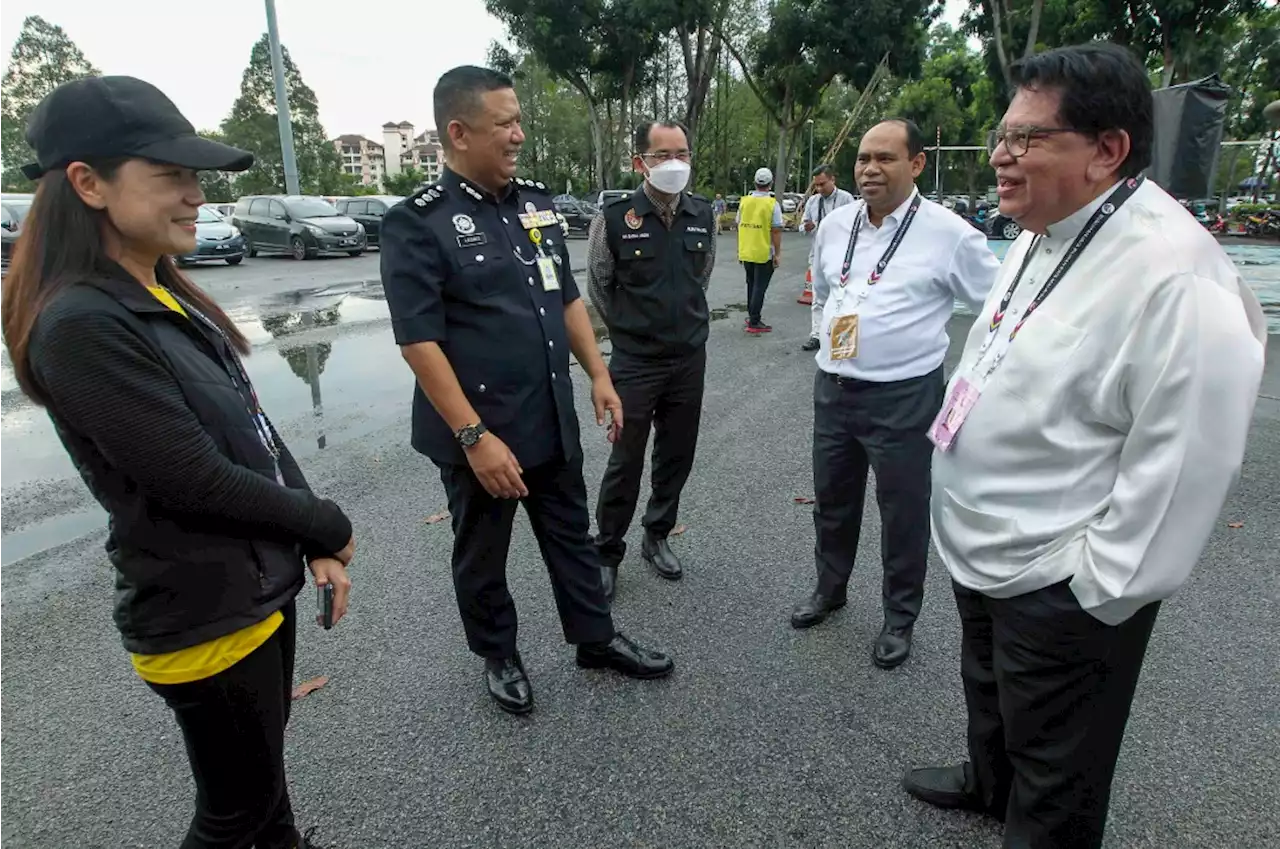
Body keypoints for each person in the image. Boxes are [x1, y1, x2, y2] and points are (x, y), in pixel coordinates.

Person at [903, 43, 1266, 848]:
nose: (1000, 156)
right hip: (983, 545)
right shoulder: (1043, 226)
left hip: (1058, 581)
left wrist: (1093, 591)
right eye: (1002, 135)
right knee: (993, 700)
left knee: (1059, 767)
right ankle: (988, 781)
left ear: (1108, 151)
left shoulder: (1178, 278)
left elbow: (1183, 469)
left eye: (1027, 139)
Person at [0, 76, 354, 849]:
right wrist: (323, 519)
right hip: (203, 613)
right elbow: (191, 476)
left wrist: (313, 536)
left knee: (263, 798)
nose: (197, 196)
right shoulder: (80, 323)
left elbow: (250, 428)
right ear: (87, 183)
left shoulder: (159, 289)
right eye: (171, 175)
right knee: (233, 816)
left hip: (254, 589)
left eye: (196, 176)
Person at [380, 65, 674, 716]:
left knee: (570, 533)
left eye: (519, 121)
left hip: (547, 412)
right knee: (482, 550)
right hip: (479, 430)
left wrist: (597, 372)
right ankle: (499, 653)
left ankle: (594, 637)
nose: (518, 134)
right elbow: (418, 343)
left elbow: (564, 295)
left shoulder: (535, 203)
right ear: (458, 133)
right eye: (504, 123)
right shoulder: (418, 223)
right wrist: (474, 436)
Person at [790, 118, 1000, 670]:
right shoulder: (836, 226)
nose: (870, 169)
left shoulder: (951, 234)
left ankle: (899, 617)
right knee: (833, 503)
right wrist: (823, 342)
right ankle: (829, 590)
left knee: (902, 512)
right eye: (863, 159)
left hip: (905, 398)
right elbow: (826, 292)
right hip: (834, 391)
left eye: (885, 158)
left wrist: (966, 382)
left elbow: (999, 315)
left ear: (916, 164)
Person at [586, 121, 716, 602]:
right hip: (636, 363)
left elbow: (699, 278)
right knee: (626, 458)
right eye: (662, 155)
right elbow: (599, 285)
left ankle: (656, 534)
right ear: (640, 162)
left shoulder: (702, 212)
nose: (674, 163)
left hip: (688, 359)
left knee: (677, 455)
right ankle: (607, 550)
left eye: (682, 152)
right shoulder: (615, 218)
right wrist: (631, 328)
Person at [800, 164, 856, 352]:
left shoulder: (846, 199)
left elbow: (854, 227)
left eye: (823, 184)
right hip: (818, 254)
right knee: (818, 297)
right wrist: (805, 227)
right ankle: (816, 334)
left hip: (842, 255)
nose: (819, 189)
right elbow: (802, 226)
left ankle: (842, 338)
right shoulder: (813, 202)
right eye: (816, 185)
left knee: (844, 295)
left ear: (833, 180)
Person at [736, 167, 783, 333]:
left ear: (755, 183)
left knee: (751, 284)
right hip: (764, 252)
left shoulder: (744, 201)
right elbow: (776, 230)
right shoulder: (772, 204)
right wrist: (777, 253)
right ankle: (754, 321)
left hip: (746, 251)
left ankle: (752, 315)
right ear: (770, 184)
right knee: (759, 287)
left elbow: (739, 224)